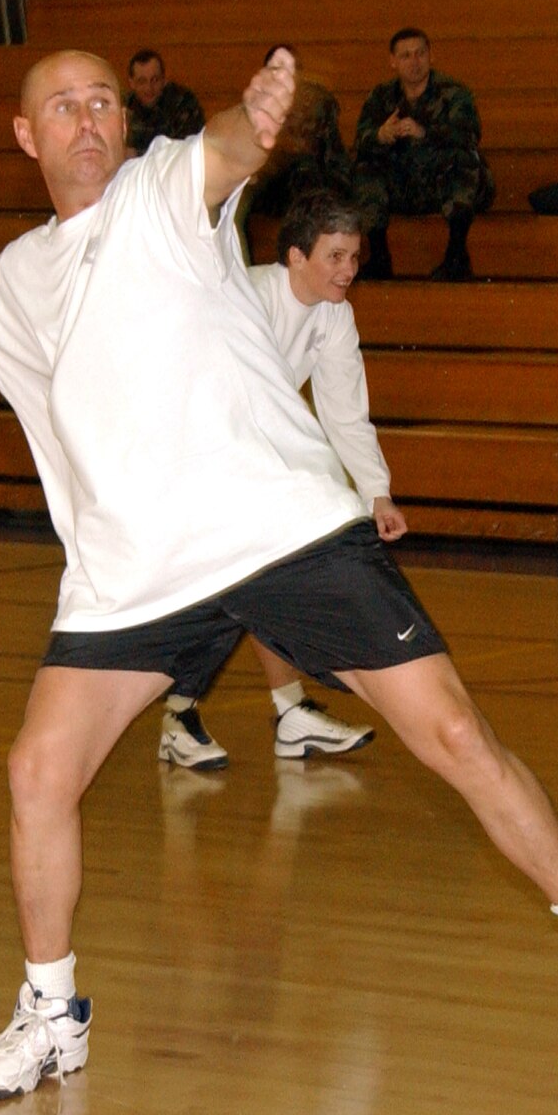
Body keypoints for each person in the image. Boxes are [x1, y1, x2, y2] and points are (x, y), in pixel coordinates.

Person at [0, 47, 558, 1100]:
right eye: (62, 106)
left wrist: (256, 112)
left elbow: (224, 146)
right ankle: (52, 1013)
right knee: (36, 773)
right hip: (131, 570)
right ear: (24, 134)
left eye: (102, 100)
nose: (88, 120)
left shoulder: (160, 191)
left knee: (455, 735)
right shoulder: (12, 280)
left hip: (280, 528)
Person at [155, 184, 404, 771]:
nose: (349, 270)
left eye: (354, 256)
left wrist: (377, 492)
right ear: (296, 257)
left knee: (258, 586)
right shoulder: (250, 299)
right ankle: (187, 713)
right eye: (335, 257)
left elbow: (343, 412)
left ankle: (274, 711)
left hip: (249, 466)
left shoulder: (335, 316)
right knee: (235, 591)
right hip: (192, 455)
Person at [352, 28, 493, 282]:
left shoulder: (453, 93)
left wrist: (425, 132)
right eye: (405, 56)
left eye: (420, 54)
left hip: (441, 186)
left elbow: (469, 135)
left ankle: (457, 253)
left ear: (431, 56)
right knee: (365, 168)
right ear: (392, 61)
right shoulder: (381, 96)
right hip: (405, 186)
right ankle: (379, 256)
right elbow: (360, 141)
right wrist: (381, 135)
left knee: (465, 161)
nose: (414, 62)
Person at [243, 43, 353, 260]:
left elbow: (333, 157)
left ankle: (302, 262)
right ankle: (241, 265)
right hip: (269, 180)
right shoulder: (254, 102)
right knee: (236, 193)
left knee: (306, 174)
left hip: (309, 180)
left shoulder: (318, 103)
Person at [124, 49, 206, 155]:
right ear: (132, 83)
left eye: (155, 80)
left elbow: (186, 150)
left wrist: (137, 154)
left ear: (164, 79)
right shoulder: (125, 106)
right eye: (142, 81)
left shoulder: (182, 103)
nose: (149, 88)